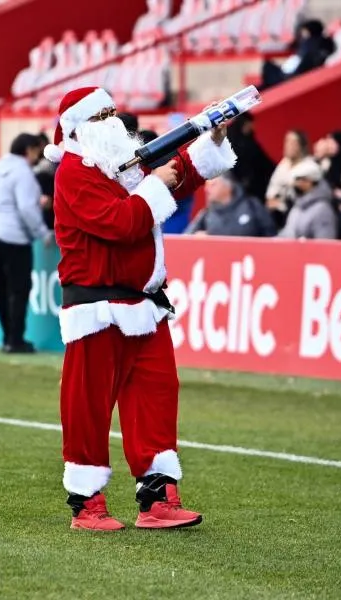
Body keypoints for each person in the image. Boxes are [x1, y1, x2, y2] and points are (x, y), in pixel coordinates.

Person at [42, 86, 236, 530]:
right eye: (102, 115)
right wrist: (155, 185)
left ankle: (158, 496)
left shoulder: (120, 163)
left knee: (156, 396)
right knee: (88, 405)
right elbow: (122, 222)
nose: (113, 121)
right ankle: (87, 502)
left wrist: (214, 141)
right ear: (79, 128)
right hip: (97, 306)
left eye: (114, 112)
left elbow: (176, 175)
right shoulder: (74, 172)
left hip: (144, 304)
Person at [0, 133, 52, 354]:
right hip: (14, 237)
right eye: (37, 150)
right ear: (28, 150)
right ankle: (16, 339)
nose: (38, 155)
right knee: (18, 289)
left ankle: (7, 337)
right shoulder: (23, 173)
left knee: (0, 289)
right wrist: (42, 233)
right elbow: (27, 208)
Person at [185, 171, 276, 237]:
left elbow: (271, 236)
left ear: (228, 186)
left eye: (213, 184)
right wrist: (196, 239)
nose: (207, 189)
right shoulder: (206, 214)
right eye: (207, 185)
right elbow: (185, 239)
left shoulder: (252, 206)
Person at [260, 19, 334, 88]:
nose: (303, 34)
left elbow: (301, 69)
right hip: (294, 74)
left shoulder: (309, 44)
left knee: (268, 67)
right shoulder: (321, 42)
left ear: (310, 31)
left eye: (304, 32)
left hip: (293, 79)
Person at [265, 130, 316, 226]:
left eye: (293, 142)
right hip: (278, 212)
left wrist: (281, 204)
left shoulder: (310, 166)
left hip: (302, 211)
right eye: (287, 141)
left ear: (301, 146)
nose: (288, 146)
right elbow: (272, 190)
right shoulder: (284, 164)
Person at [279, 160, 337, 240]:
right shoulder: (296, 207)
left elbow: (325, 244)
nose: (295, 184)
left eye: (299, 180)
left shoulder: (322, 210)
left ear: (309, 181)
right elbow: (286, 234)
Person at [226, 113, 275, 201]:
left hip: (252, 184)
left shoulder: (247, 140)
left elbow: (262, 160)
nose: (251, 128)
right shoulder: (234, 141)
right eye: (249, 125)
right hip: (242, 187)